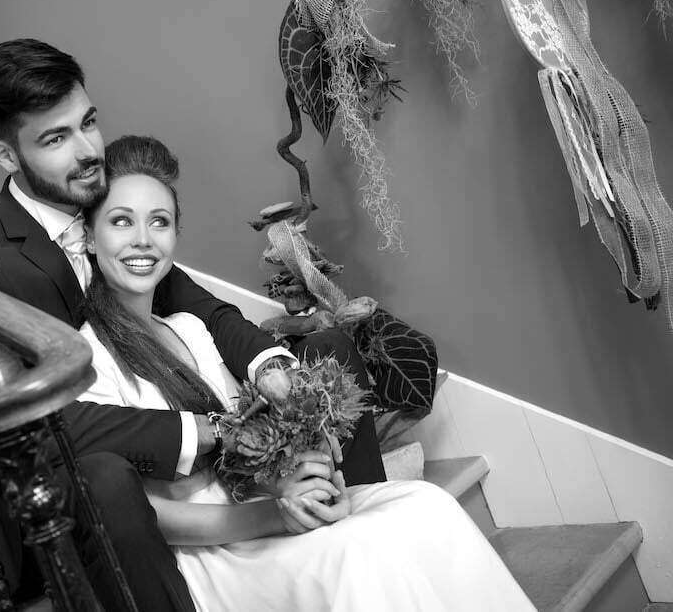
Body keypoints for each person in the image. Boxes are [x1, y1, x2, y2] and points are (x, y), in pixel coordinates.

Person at [0, 38, 385, 610]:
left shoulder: (101, 198)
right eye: (56, 139)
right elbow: (36, 424)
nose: (87, 151)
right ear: (7, 156)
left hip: (147, 428)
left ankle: (352, 526)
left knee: (325, 350)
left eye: (88, 123)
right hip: (49, 490)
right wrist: (214, 430)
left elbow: (208, 311)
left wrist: (273, 372)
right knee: (102, 477)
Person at [77, 134, 536, 612]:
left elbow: (245, 450)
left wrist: (306, 485)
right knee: (355, 555)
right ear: (88, 237)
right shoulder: (90, 359)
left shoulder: (190, 328)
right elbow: (144, 515)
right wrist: (274, 515)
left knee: (426, 505)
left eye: (159, 221)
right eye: (121, 221)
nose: (143, 239)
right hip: (213, 548)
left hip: (260, 504)